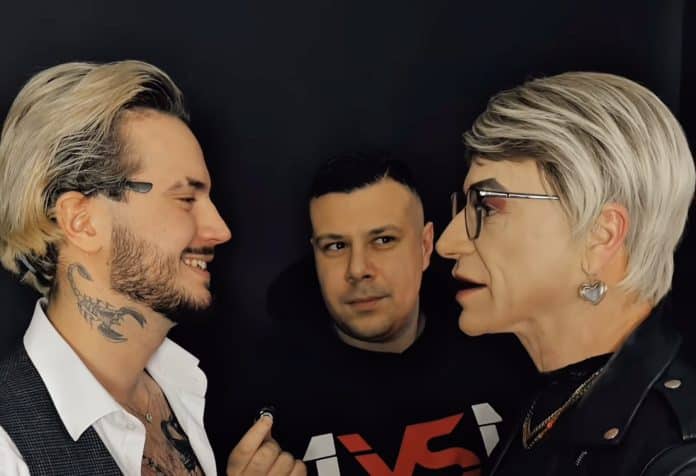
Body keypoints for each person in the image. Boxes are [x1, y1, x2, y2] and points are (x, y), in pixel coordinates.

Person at [0, 60, 304, 476]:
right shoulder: (7, 449)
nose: (220, 230)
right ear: (82, 222)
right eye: (185, 199)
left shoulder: (182, 386)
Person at [436, 72, 696, 475]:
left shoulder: (675, 458)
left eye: (486, 206)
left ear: (601, 234)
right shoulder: (551, 403)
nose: (447, 243)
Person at [252, 151, 536, 475]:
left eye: (383, 240)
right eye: (336, 246)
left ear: (425, 246)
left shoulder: (508, 354)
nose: (358, 269)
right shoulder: (267, 402)